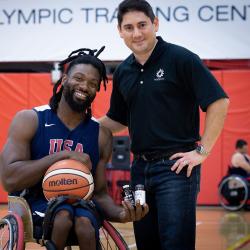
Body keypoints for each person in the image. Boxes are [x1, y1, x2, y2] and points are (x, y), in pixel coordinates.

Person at [99, 0, 230, 249]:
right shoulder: (124, 71)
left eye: (142, 25)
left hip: (176, 169)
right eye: (129, 27)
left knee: (175, 245)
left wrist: (202, 152)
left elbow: (219, 102)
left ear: (155, 24)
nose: (136, 33)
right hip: (139, 170)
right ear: (120, 31)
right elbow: (116, 120)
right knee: (147, 243)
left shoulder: (181, 59)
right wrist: (79, 126)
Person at [0, 47, 148, 250]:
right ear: (64, 80)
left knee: (84, 224)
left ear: (97, 90)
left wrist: (122, 214)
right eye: (78, 78)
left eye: (93, 83)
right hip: (37, 205)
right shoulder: (30, 120)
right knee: (63, 217)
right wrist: (64, 156)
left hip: (82, 206)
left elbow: (100, 194)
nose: (84, 86)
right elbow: (9, 179)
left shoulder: (101, 135)